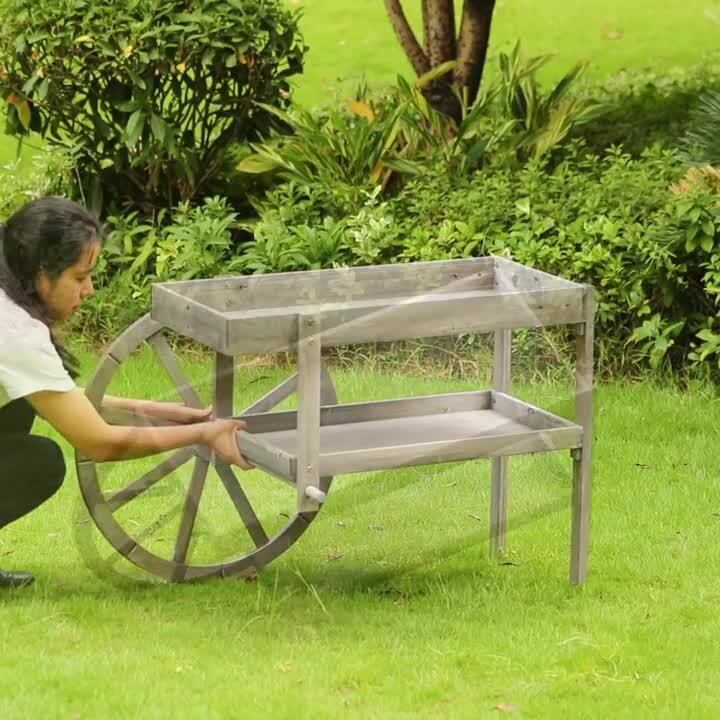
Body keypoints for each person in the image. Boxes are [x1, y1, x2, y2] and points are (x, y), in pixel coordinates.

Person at [0, 196, 250, 589]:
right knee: (40, 461)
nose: (90, 290)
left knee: (16, 412)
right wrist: (205, 433)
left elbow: (55, 397)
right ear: (41, 272)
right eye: (80, 277)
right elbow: (100, 443)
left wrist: (156, 411)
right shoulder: (13, 331)